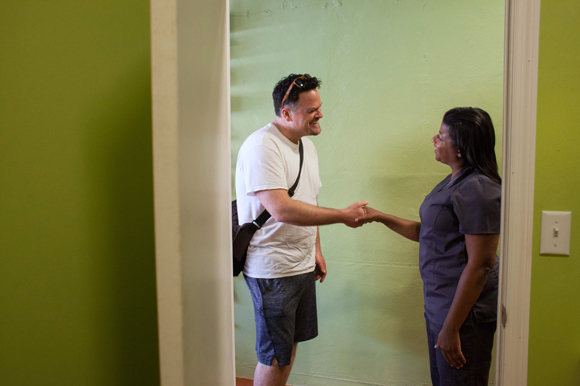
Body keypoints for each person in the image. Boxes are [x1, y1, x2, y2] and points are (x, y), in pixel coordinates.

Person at [235, 73, 368, 386]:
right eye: (312, 110)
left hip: (301, 265)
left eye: (319, 106)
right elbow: (281, 209)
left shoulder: (306, 146)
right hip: (272, 269)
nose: (320, 113)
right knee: (275, 356)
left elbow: (309, 198)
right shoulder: (262, 147)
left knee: (289, 347)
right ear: (286, 113)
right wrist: (342, 216)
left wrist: (316, 250)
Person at [359, 107, 501, 386]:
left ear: (460, 148)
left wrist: (451, 328)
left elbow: (481, 263)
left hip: (463, 317)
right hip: (441, 306)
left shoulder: (479, 189)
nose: (433, 139)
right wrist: (379, 216)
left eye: (440, 136)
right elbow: (431, 234)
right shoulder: (454, 181)